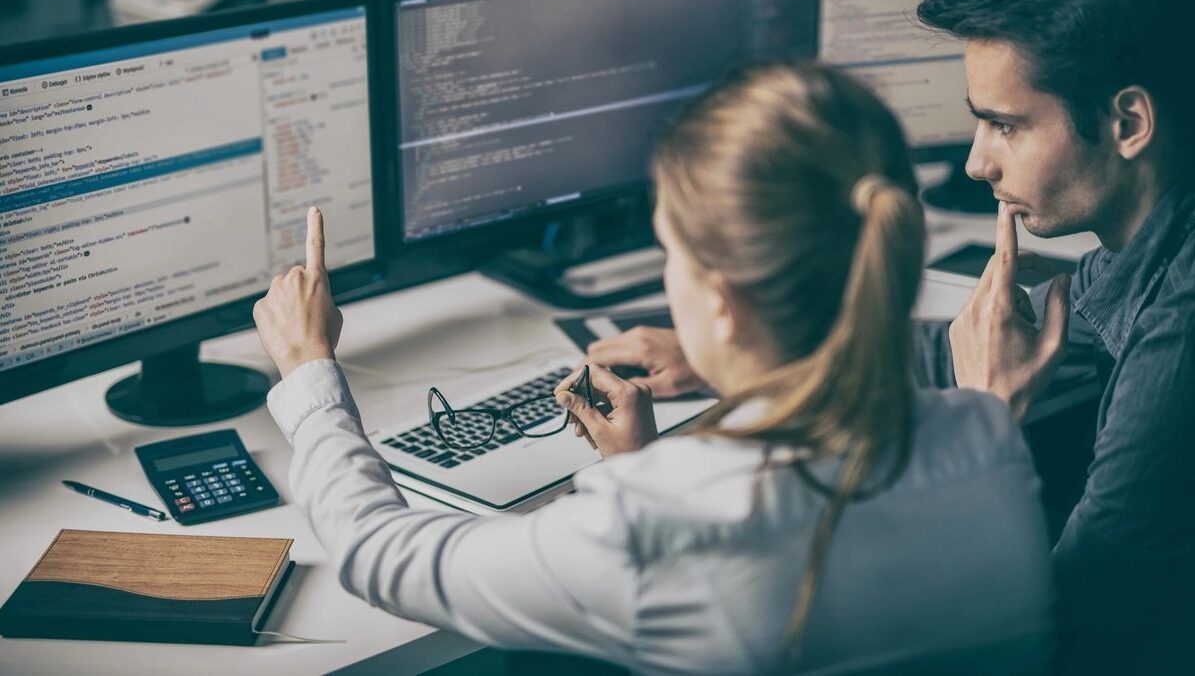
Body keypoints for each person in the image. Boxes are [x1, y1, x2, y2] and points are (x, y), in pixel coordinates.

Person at [253, 62, 1053, 674]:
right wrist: (639, 468)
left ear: (722, 302)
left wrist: (307, 366)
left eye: (671, 252)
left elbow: (379, 556)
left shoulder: (657, 521)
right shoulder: (986, 429)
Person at [593, 0, 1195, 674]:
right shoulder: (1145, 245)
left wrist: (986, 421)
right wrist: (740, 350)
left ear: (1127, 122)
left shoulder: (1180, 337)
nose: (977, 163)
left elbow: (1065, 636)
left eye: (1004, 126)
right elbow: (999, 337)